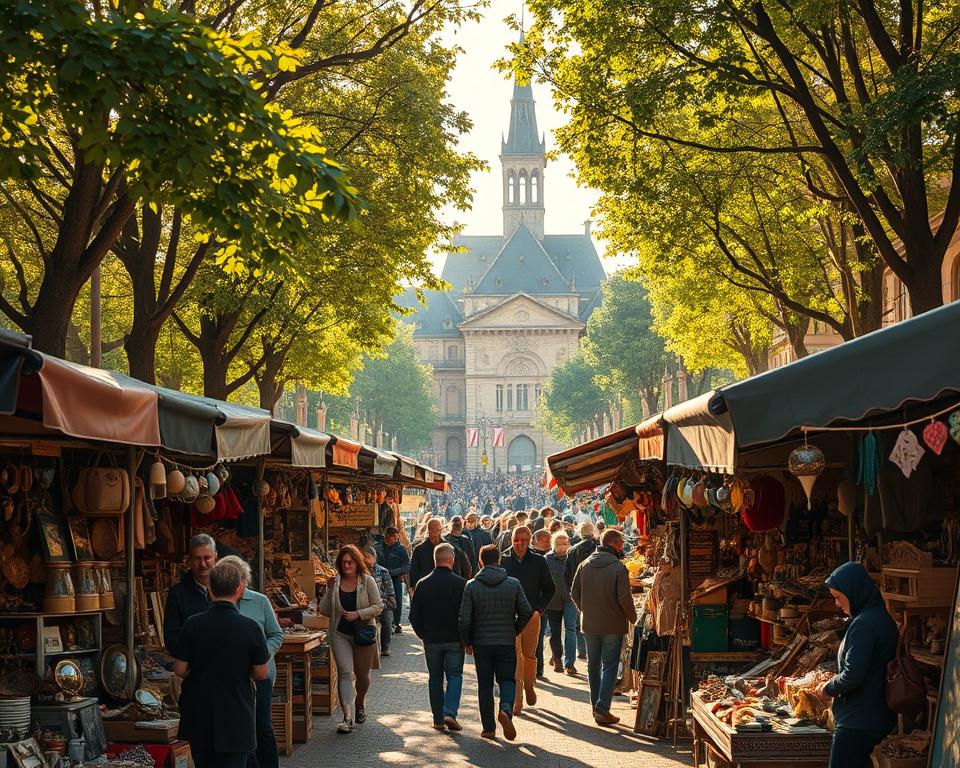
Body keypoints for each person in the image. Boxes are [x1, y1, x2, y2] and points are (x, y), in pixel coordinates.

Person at [173, 558, 269, 768]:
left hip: (198, 713)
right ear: (238, 588)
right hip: (236, 714)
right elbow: (262, 673)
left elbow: (179, 669)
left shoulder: (193, 624)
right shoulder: (249, 627)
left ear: (209, 588)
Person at [816, 562, 898, 768]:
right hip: (874, 716)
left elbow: (853, 674)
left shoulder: (864, 624)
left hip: (858, 721)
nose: (837, 604)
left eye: (838, 597)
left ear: (854, 592)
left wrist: (828, 688)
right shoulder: (881, 617)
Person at [459, 544, 532, 742]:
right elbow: (526, 610)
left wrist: (467, 640)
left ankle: (488, 728)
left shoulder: (472, 585)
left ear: (480, 561)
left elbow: (464, 618)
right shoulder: (513, 583)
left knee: (484, 685)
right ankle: (506, 710)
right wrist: (515, 629)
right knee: (507, 679)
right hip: (506, 641)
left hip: (481, 643)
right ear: (499, 560)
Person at [220, 556, 284, 768]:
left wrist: (262, 655)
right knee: (238, 724)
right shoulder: (218, 602)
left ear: (244, 580)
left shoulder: (260, 601)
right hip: (231, 676)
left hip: (260, 674)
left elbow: (276, 634)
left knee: (261, 723)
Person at [571, 529, 636, 726]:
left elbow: (574, 593)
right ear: (615, 544)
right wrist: (633, 618)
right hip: (612, 624)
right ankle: (602, 708)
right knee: (609, 666)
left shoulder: (585, 564)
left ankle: (596, 706)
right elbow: (625, 598)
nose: (622, 547)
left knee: (593, 665)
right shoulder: (618, 567)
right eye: (621, 544)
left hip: (590, 623)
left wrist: (586, 610)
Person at [319, 545, 383, 733]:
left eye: (350, 562)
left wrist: (358, 614)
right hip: (340, 634)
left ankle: (360, 702)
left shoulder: (367, 581)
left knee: (363, 676)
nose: (347, 565)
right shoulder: (335, 583)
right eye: (343, 562)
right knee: (345, 673)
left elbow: (378, 606)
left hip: (363, 634)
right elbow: (324, 610)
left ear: (357, 563)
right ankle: (347, 717)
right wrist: (328, 590)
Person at [409, 543, 467, 732]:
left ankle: (438, 719)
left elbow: (414, 616)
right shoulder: (460, 584)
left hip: (432, 639)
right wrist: (466, 638)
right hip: (454, 639)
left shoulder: (422, 583)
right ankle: (450, 711)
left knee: (435, 678)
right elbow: (466, 615)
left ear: (436, 559)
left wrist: (422, 635)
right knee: (455, 675)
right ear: (451, 559)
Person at [502, 525, 555, 714]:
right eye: (517, 539)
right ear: (511, 539)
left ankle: (529, 685)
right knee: (515, 658)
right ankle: (517, 700)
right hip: (509, 617)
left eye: (524, 540)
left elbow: (550, 588)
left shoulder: (538, 561)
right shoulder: (503, 560)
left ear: (530, 541)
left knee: (529, 655)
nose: (520, 544)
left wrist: (539, 609)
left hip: (531, 615)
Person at [164, 533, 217, 652]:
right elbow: (172, 638)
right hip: (193, 665)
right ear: (189, 561)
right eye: (197, 558)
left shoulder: (226, 588)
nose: (203, 564)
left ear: (215, 558)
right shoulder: (177, 594)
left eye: (207, 558)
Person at [545, 531, 578, 675]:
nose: (563, 546)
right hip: (553, 600)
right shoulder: (547, 559)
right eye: (559, 543)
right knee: (555, 631)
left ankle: (569, 663)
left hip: (570, 599)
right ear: (554, 544)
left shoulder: (572, 558)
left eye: (565, 543)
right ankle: (557, 658)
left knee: (570, 629)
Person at [565, 521, 599, 659]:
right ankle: (594, 650)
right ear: (593, 532)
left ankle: (582, 649)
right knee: (597, 622)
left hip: (579, 590)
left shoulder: (572, 550)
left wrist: (573, 590)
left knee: (580, 621)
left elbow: (567, 575)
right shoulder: (600, 547)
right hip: (598, 590)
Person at [409, 518, 469, 591]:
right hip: (429, 589)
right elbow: (413, 573)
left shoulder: (452, 548)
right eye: (435, 530)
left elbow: (466, 568)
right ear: (429, 531)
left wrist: (459, 584)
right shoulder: (419, 550)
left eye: (438, 530)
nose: (436, 533)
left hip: (447, 589)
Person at [364, 546, 396, 657]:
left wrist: (389, 601)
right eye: (365, 557)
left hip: (382, 603)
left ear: (374, 558)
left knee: (387, 619)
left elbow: (390, 590)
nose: (368, 559)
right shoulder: (360, 572)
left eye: (370, 557)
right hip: (365, 604)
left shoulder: (383, 571)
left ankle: (385, 647)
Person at [377, 527, 410, 634]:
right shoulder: (379, 548)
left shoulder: (401, 549)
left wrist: (393, 572)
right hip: (380, 580)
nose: (396, 539)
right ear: (388, 536)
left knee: (397, 601)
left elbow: (406, 566)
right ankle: (385, 622)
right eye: (394, 537)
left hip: (395, 579)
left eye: (396, 537)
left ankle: (396, 622)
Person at [530, 527, 553, 678]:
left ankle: (538, 671)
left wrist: (542, 606)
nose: (548, 543)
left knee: (539, 639)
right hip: (532, 605)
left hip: (540, 607)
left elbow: (550, 587)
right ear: (536, 541)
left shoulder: (550, 556)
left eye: (549, 540)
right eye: (545, 540)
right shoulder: (537, 558)